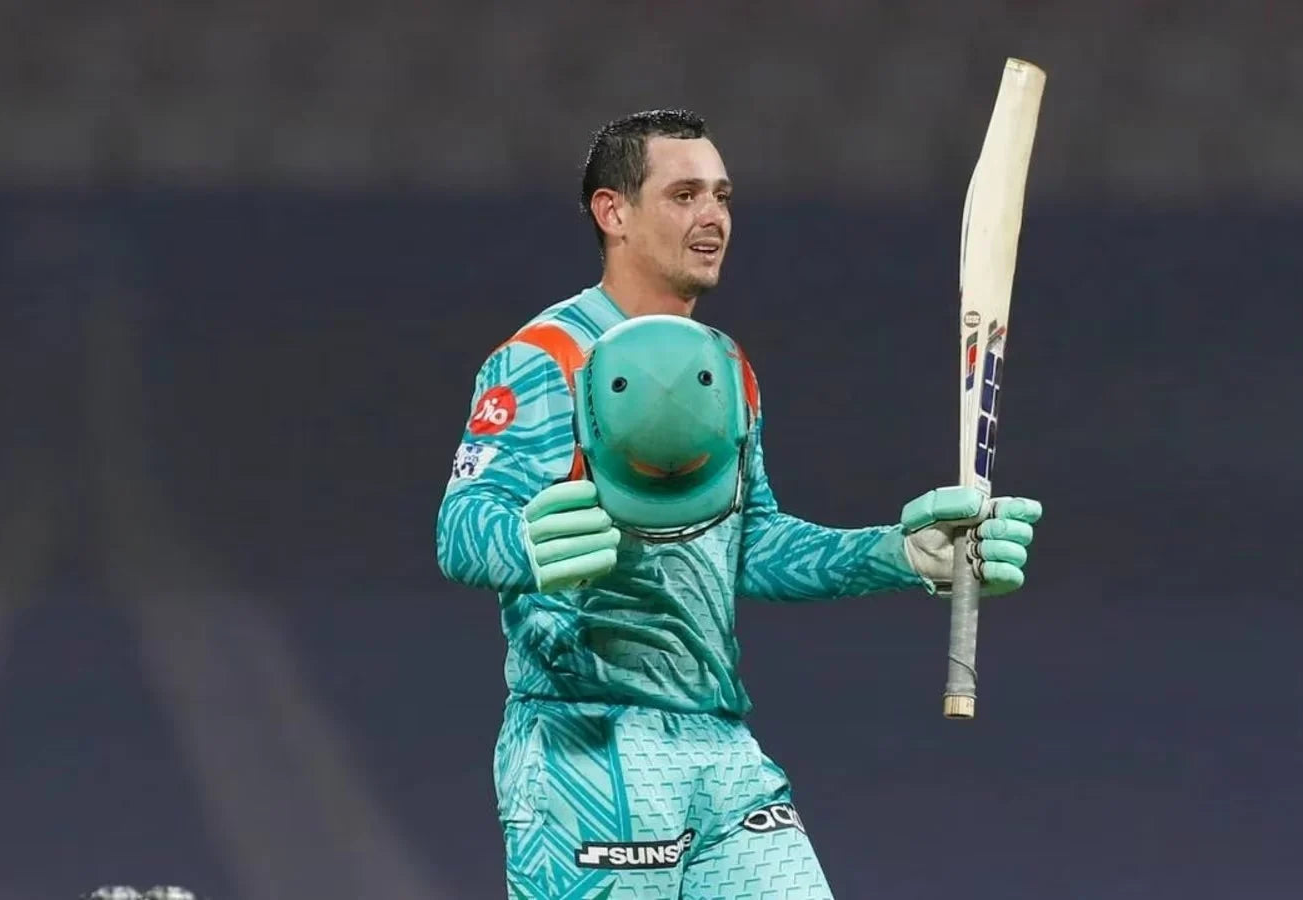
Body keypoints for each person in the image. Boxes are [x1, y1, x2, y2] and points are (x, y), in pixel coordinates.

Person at [436, 109, 1045, 899]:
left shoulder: (725, 369)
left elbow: (750, 542)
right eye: (684, 195)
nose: (713, 217)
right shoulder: (547, 359)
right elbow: (461, 522)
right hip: (588, 745)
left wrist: (897, 553)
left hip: (718, 746)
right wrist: (525, 543)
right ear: (612, 211)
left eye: (721, 196)